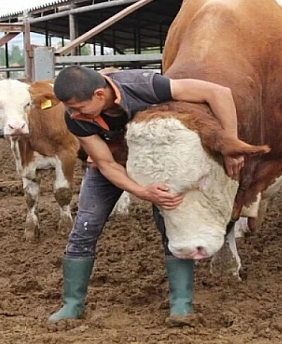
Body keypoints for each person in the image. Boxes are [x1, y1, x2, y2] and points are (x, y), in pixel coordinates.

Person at [48, 65, 244, 325]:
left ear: (98, 94)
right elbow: (105, 163)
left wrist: (231, 143)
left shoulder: (143, 84)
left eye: (78, 108)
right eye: (70, 109)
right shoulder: (75, 117)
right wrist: (141, 191)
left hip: (155, 163)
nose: (73, 114)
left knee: (169, 222)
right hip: (112, 166)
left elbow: (218, 92)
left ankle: (181, 306)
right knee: (86, 224)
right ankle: (72, 305)